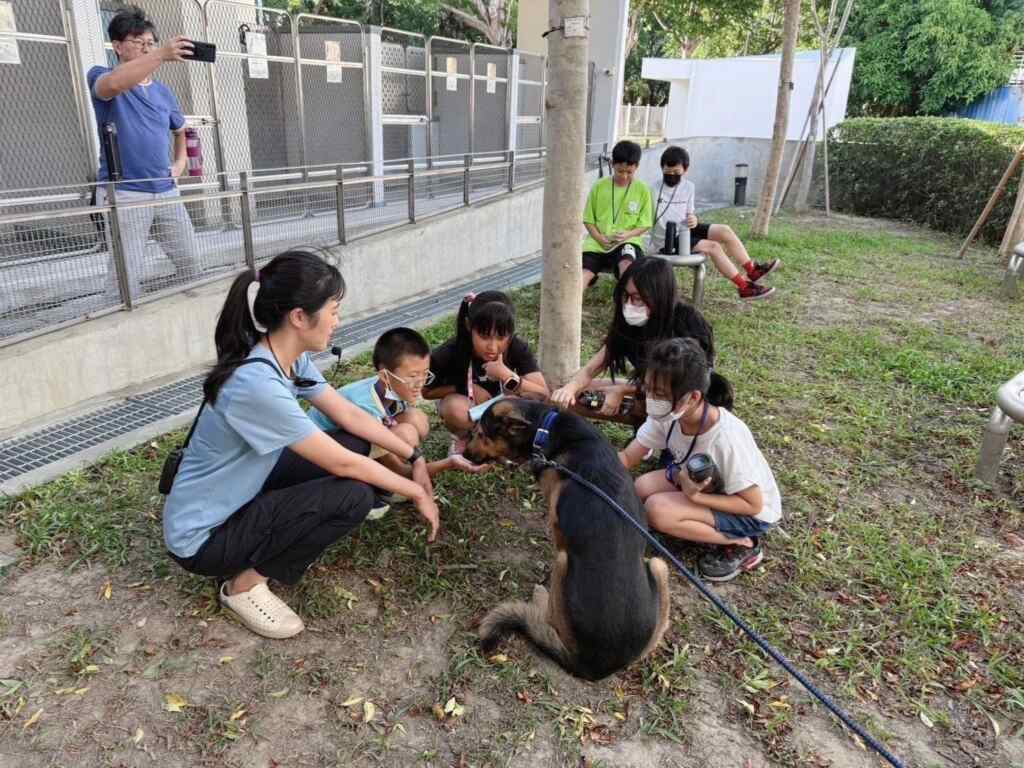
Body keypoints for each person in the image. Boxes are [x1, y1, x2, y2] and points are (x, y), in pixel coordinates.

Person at [162, 250, 441, 640]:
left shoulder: (283, 356)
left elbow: (347, 415)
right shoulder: (256, 384)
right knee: (353, 497)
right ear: (298, 317)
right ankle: (243, 585)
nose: (337, 321)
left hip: (244, 486)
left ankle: (274, 530)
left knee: (356, 441)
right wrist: (415, 490)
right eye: (333, 310)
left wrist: (415, 456)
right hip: (206, 538)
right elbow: (344, 466)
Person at [619, 338, 781, 582]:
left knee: (656, 510)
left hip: (749, 511)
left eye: (660, 393)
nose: (651, 398)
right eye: (648, 388)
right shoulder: (668, 413)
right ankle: (690, 513)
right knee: (641, 487)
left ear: (693, 398)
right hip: (700, 482)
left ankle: (743, 543)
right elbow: (628, 457)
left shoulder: (726, 438)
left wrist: (695, 497)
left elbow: (752, 504)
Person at [307, 326, 489, 512]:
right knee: (406, 434)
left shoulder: (389, 388)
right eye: (412, 376)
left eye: (425, 374)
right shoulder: (365, 408)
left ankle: (380, 466)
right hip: (318, 461)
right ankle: (380, 488)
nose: (420, 384)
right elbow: (404, 472)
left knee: (417, 419)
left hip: (345, 440)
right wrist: (449, 462)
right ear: (385, 375)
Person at [88, 6, 201, 302]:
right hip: (126, 193)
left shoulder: (164, 92)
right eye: (139, 42)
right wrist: (160, 54)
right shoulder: (101, 76)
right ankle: (119, 330)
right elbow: (113, 85)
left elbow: (181, 130)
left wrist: (180, 162)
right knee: (125, 277)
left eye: (150, 43)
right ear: (117, 46)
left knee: (191, 262)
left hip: (165, 191)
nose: (146, 48)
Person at [551, 257, 730, 425]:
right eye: (626, 296)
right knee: (578, 391)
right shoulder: (628, 324)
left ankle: (666, 434)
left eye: (637, 298)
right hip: (648, 387)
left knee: (645, 402)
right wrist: (571, 388)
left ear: (658, 295)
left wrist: (622, 391)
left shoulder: (687, 323)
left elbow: (683, 382)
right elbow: (593, 367)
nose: (629, 304)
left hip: (680, 396)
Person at [423, 291, 549, 455]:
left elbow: (543, 393)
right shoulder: (449, 352)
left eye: (501, 337)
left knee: (529, 399)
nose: (492, 346)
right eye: (484, 336)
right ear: (469, 326)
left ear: (510, 333)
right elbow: (426, 392)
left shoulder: (517, 347)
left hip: (503, 405)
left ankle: (504, 441)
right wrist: (466, 388)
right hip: (469, 407)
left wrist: (507, 376)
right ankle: (465, 437)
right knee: (453, 408)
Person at [651, 146, 778, 302]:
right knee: (713, 247)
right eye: (667, 172)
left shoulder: (689, 187)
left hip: (685, 228)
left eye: (676, 173)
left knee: (725, 230)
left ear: (686, 170)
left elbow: (689, 213)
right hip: (667, 238)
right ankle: (744, 287)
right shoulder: (652, 190)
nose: (671, 176)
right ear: (662, 169)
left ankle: (752, 270)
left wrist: (694, 219)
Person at [581, 140, 654, 290]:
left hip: (627, 242)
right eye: (620, 171)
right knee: (583, 274)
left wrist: (627, 234)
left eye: (629, 172)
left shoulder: (643, 190)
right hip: (595, 245)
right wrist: (598, 237)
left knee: (627, 268)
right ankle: (571, 311)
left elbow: (645, 223)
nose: (624, 176)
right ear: (613, 164)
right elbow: (588, 219)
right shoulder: (599, 187)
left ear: (636, 167)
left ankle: (624, 304)